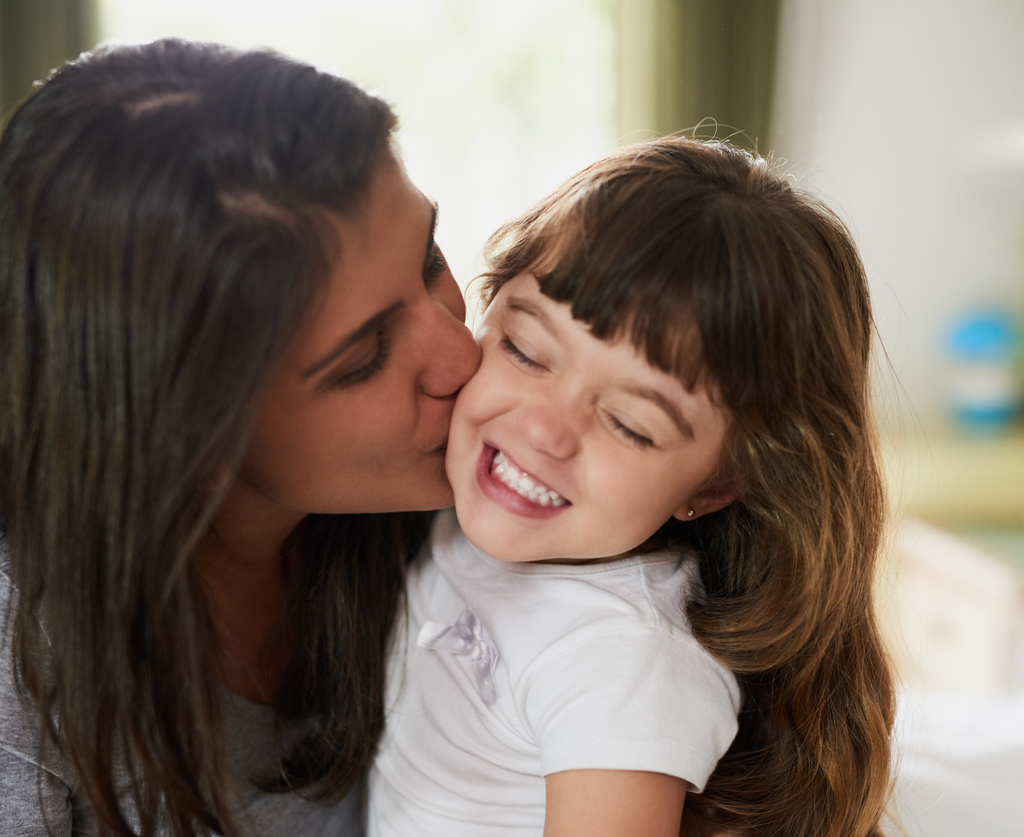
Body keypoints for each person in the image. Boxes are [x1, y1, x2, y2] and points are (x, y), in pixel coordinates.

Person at [0, 39, 479, 837]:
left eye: (430, 259)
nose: (462, 355)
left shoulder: (467, 487)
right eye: (366, 357)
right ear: (186, 441)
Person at [369, 137, 895, 837]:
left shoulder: (623, 660)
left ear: (718, 486)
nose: (545, 430)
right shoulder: (442, 496)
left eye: (630, 424)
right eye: (526, 351)